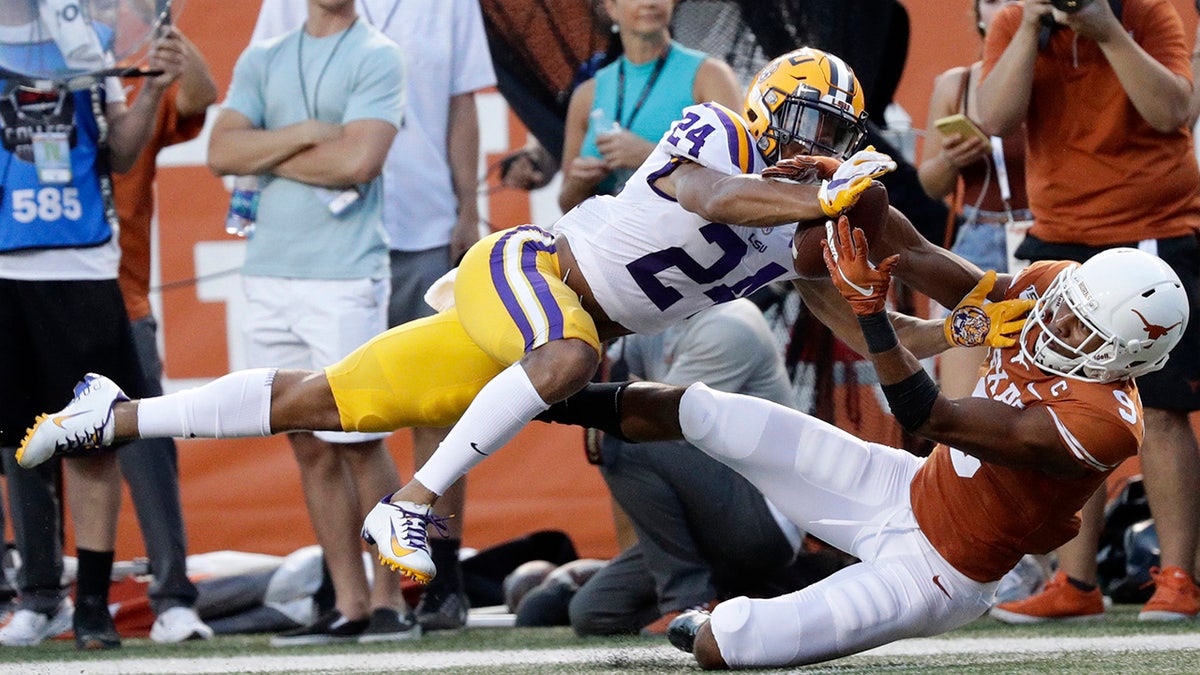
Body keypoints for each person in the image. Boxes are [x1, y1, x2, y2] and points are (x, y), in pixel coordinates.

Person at [16, 47, 1012, 592]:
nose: (827, 152)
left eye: (840, 142)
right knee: (576, 353)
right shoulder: (721, 130)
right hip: (532, 272)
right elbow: (710, 195)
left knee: (329, 400)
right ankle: (411, 504)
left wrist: (979, 312)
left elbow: (884, 288)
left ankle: (117, 412)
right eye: (819, 132)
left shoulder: (797, 231)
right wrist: (823, 200)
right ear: (777, 111)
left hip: (539, 325)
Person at [614, 224, 1187, 668]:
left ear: (1128, 357)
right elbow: (911, 249)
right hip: (905, 485)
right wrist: (842, 194)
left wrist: (870, 312)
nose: (1055, 325)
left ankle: (712, 621)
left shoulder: (1104, 421)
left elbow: (928, 413)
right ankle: (552, 396)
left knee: (725, 643)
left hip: (939, 574)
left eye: (1080, 330)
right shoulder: (1050, 288)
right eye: (1066, 308)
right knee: (705, 410)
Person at [251, 0, 497, 630]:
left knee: (435, 411)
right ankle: (351, 596)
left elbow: (461, 105)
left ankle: (440, 575)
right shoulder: (288, 8)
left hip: (423, 224)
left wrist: (466, 209)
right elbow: (259, 108)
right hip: (326, 241)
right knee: (322, 420)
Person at [975, 0, 1200, 621]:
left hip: (1153, 230)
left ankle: (1179, 577)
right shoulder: (1015, 19)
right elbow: (993, 117)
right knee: (1058, 405)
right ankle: (1074, 583)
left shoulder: (1149, 13)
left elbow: (1174, 110)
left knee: (1161, 405)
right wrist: (1027, 27)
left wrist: (1106, 31)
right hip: (1062, 237)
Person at [206, 0, 414, 645]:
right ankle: (348, 602)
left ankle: (389, 602)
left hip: (345, 274)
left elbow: (358, 163)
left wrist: (262, 151)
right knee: (305, 440)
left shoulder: (376, 54)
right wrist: (309, 133)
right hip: (269, 271)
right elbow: (220, 152)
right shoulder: (264, 56)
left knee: (358, 437)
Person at [0, 3, 193, 650]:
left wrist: (159, 88)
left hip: (83, 264)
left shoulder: (87, 32)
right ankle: (37, 595)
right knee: (16, 444)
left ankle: (90, 606)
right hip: (4, 266)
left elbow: (119, 152)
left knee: (93, 443)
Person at [568, 299, 806, 637]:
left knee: (621, 441)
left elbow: (664, 423)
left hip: (766, 511)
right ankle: (742, 600)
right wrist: (588, 330)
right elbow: (609, 375)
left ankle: (688, 601)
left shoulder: (731, 323)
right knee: (594, 614)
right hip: (711, 514)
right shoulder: (655, 321)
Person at [112, 23, 218, 644]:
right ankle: (33, 592)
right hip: (30, 290)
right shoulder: (30, 85)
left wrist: (178, 48)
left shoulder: (134, 87)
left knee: (146, 444)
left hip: (120, 298)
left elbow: (199, 97)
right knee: (19, 446)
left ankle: (174, 596)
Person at [917, 0, 1030, 400]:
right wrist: (950, 157)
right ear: (978, 13)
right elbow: (930, 183)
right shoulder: (958, 84)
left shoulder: (1063, 77)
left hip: (1048, 234)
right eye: (993, 0)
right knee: (963, 397)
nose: (1006, 9)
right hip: (982, 234)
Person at [557, 0, 742, 212]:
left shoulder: (710, 75)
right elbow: (566, 204)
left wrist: (649, 155)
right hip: (615, 238)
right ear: (611, 7)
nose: (650, 2)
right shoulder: (587, 94)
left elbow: (739, 174)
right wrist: (580, 183)